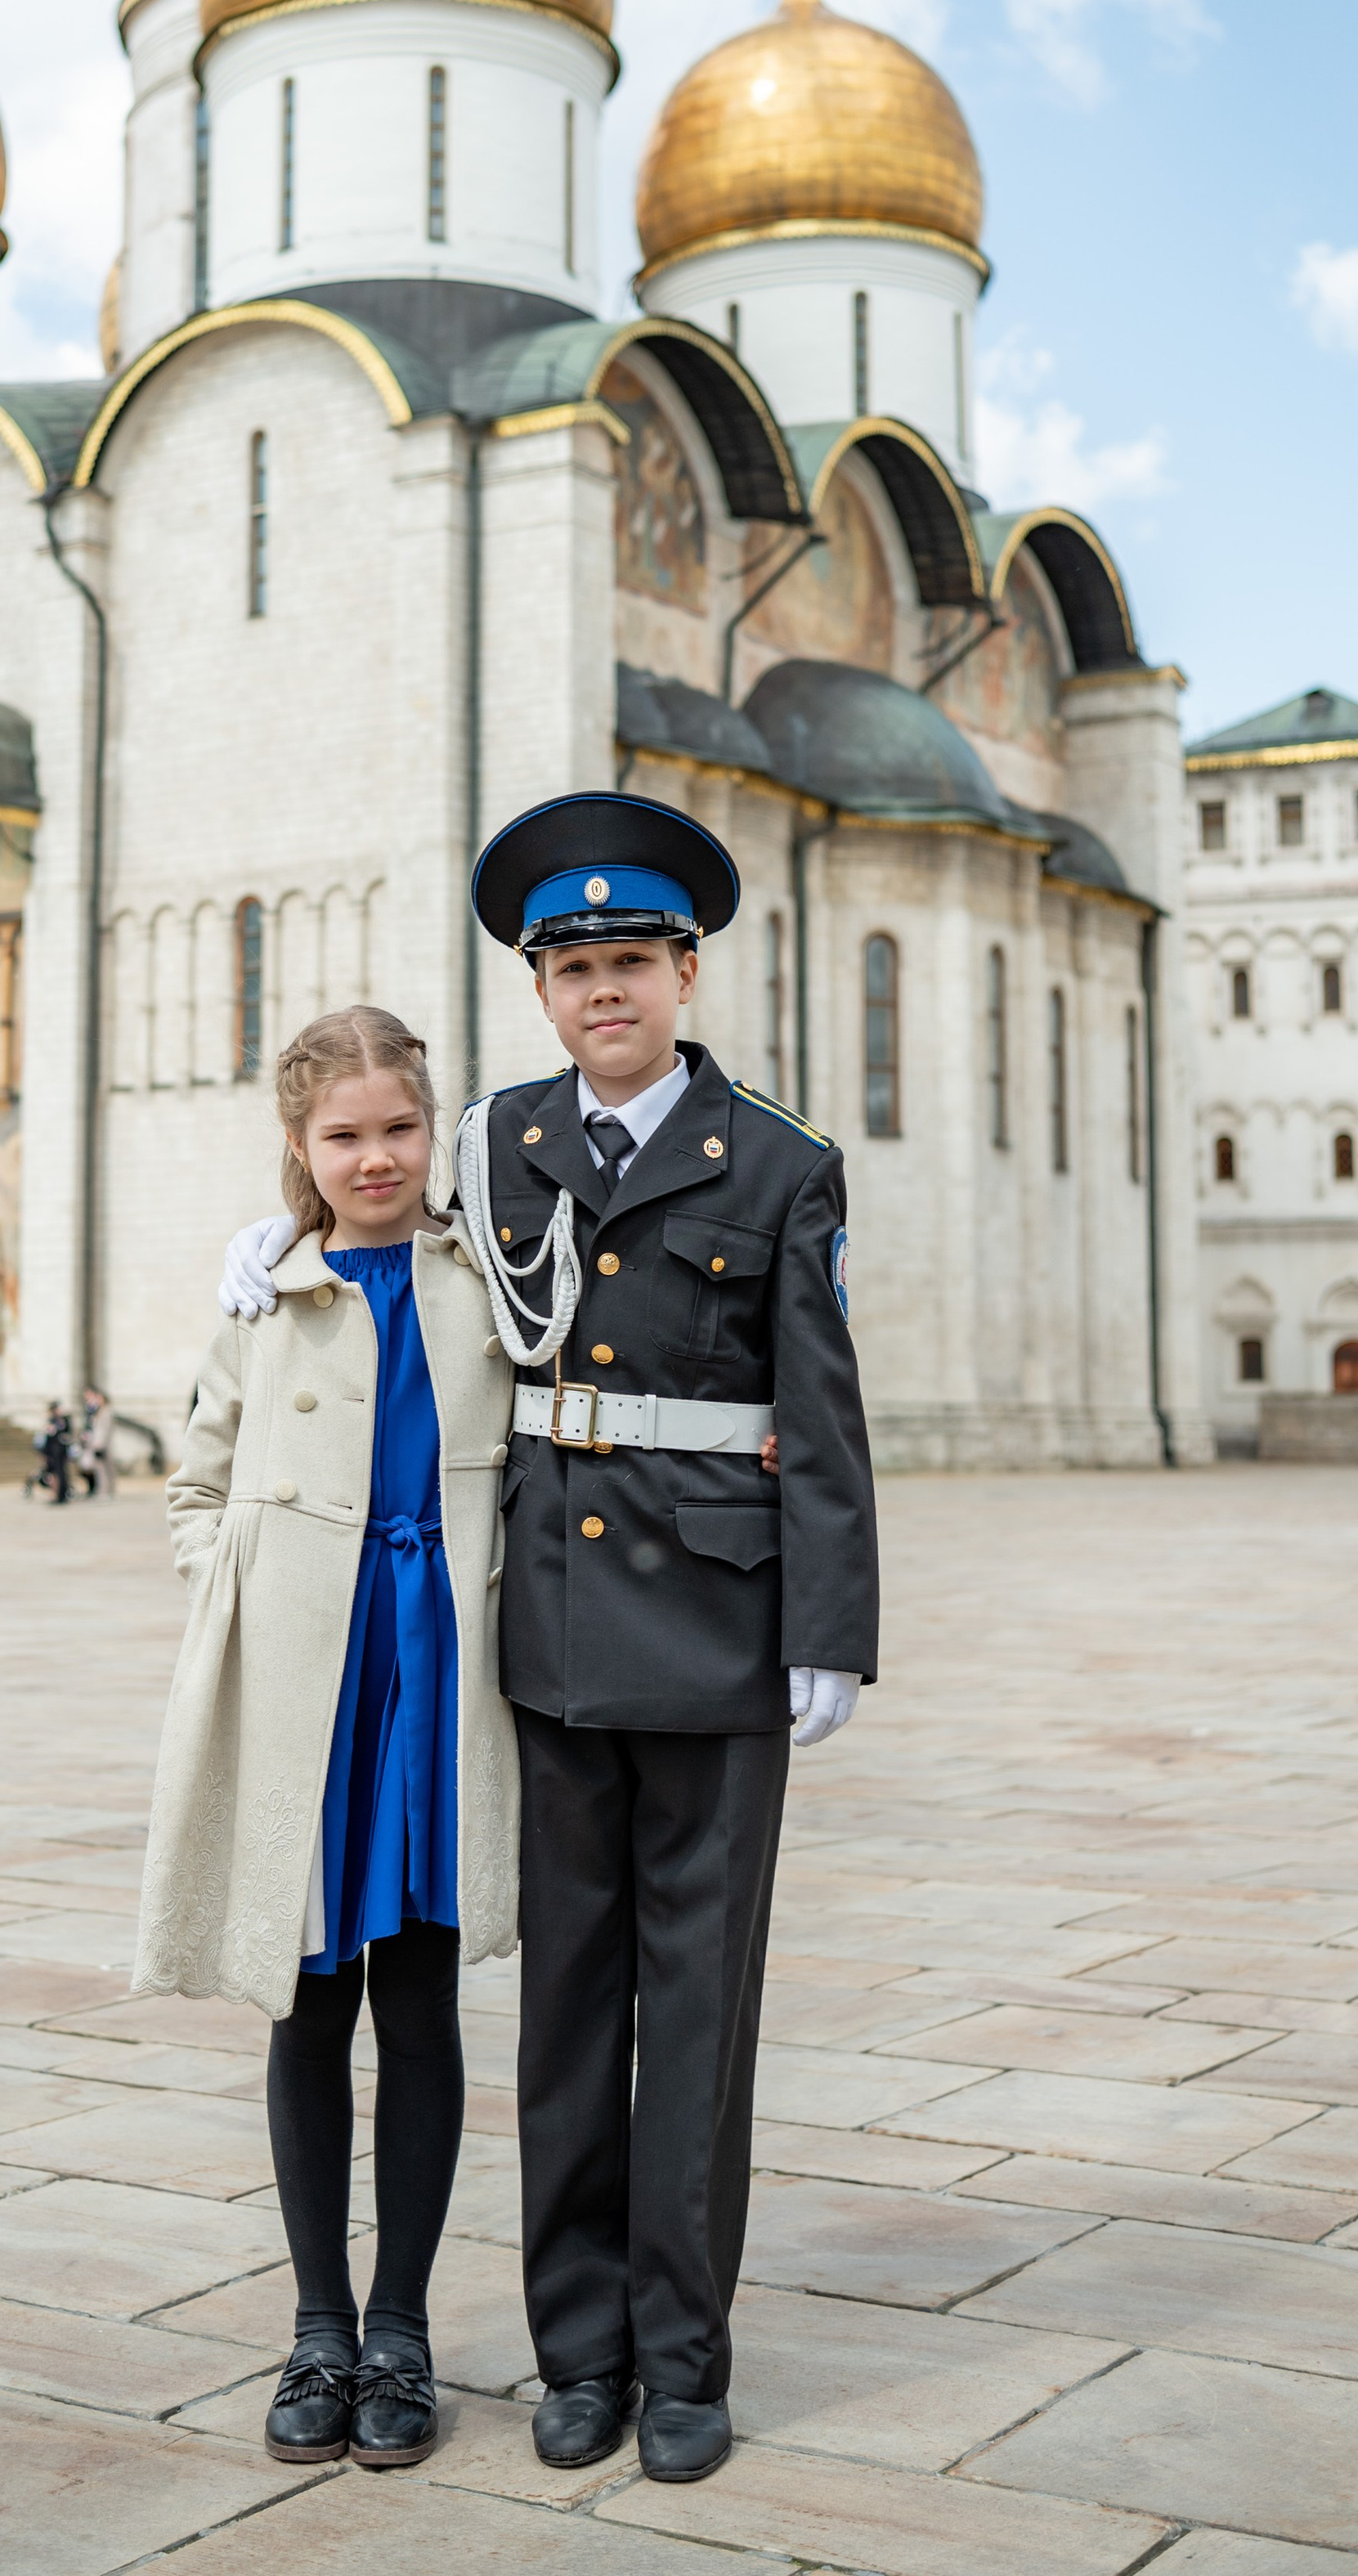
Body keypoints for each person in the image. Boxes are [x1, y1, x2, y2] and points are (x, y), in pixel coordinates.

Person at [222, 792, 881, 2488]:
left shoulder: (780, 1162)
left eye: (630, 964)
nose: (604, 992)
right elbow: (376, 1218)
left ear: (683, 972)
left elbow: (819, 1410)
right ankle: (573, 2354)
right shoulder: (498, 1139)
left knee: (699, 2010)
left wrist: (828, 1624)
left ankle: (681, 2359)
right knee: (567, 2013)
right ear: (540, 991)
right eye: (573, 967)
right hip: (554, 1631)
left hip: (719, 1627)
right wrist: (268, 1245)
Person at [136, 1005, 517, 2474]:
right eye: (343, 1134)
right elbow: (196, 1484)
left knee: (419, 2001)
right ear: (298, 1146)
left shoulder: (488, 1283)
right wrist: (244, 1591)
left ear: (438, 1132)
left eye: (399, 1128)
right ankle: (316, 2324)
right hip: (310, 1677)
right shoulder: (266, 1298)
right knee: (305, 2005)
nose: (375, 1156)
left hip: (434, 1674)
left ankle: (404, 2329)